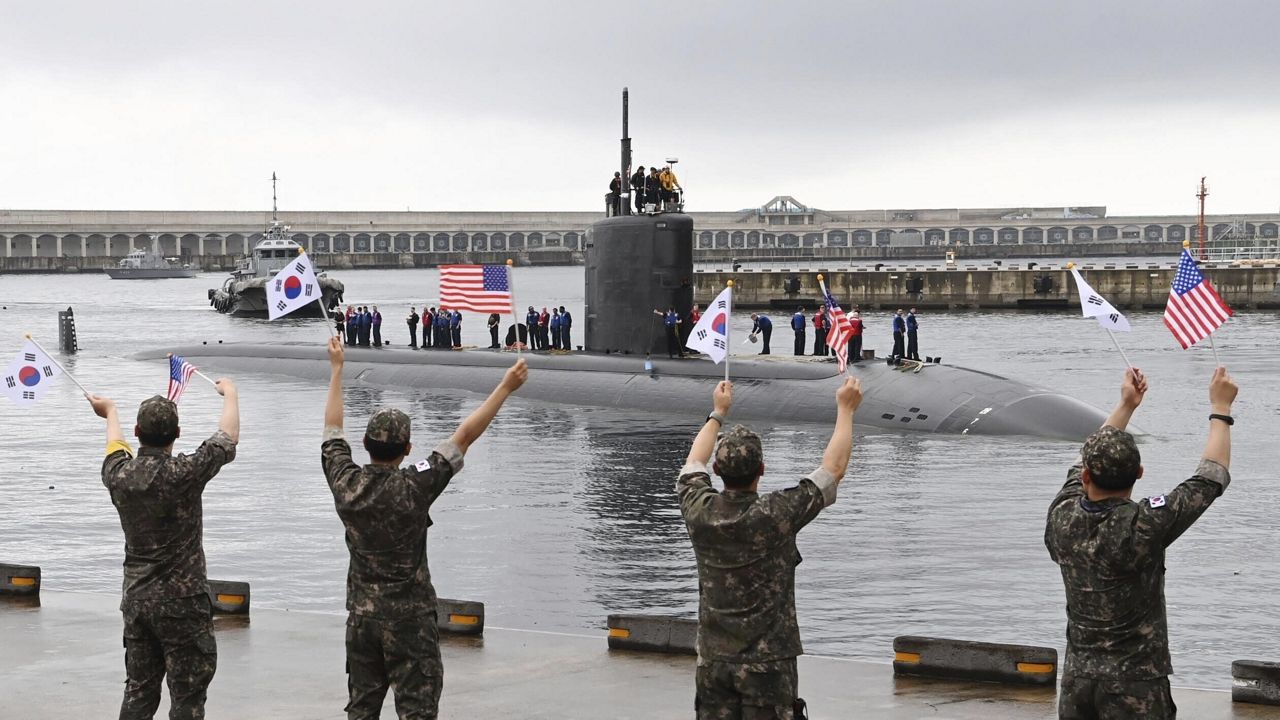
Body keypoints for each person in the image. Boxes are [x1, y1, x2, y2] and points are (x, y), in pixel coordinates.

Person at [322, 336, 528, 720]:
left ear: (365, 445)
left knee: (361, 710)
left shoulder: (345, 483)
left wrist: (336, 369)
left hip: (362, 620)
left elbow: (333, 431)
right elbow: (463, 437)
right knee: (418, 712)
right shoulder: (415, 484)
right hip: (410, 623)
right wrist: (506, 386)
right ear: (407, 449)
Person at [1046, 366, 1237, 720]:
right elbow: (1211, 477)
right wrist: (1220, 408)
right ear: (1139, 473)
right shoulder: (1143, 525)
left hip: (1078, 682)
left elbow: (1081, 461)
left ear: (1086, 476)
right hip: (1137, 685)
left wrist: (1125, 406)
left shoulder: (1062, 516)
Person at [676, 375, 860, 719]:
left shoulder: (700, 510)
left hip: (714, 663)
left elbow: (692, 464)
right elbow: (833, 469)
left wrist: (718, 413)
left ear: (718, 470)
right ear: (761, 469)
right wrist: (846, 408)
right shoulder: (776, 513)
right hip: (768, 667)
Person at [89, 380, 240, 720]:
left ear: (138, 431)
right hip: (182, 606)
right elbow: (227, 436)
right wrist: (230, 393)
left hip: (137, 601)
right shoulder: (185, 472)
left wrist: (110, 411)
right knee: (187, 698)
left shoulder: (119, 475)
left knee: (139, 691)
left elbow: (115, 446)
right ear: (178, 433)